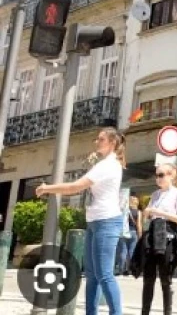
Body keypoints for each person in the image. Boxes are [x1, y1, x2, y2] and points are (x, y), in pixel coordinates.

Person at [36, 128, 126, 315]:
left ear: (112, 143)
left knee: (105, 275)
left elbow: (75, 187)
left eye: (101, 139)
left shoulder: (108, 165)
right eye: (97, 139)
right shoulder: (103, 164)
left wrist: (47, 188)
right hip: (95, 220)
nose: (96, 142)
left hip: (107, 221)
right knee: (92, 275)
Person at [140, 163, 177, 315]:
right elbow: (149, 216)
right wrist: (147, 213)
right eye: (157, 175)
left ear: (171, 175)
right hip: (153, 235)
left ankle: (167, 312)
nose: (158, 178)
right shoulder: (154, 195)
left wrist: (161, 213)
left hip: (168, 236)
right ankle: (144, 311)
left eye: (161, 175)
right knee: (148, 277)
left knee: (165, 278)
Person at [117, 194, 142, 276]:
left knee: (122, 251)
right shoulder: (138, 212)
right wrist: (140, 235)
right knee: (132, 251)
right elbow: (138, 224)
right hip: (133, 232)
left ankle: (121, 270)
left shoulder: (124, 210)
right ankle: (130, 270)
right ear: (137, 202)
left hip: (123, 232)